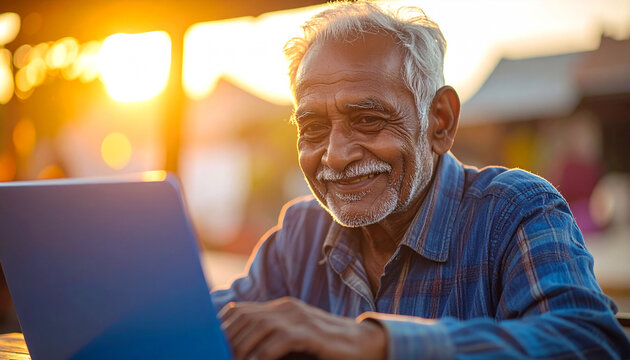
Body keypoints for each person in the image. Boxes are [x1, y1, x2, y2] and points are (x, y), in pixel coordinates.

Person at [211, 2, 630, 359]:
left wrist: (375, 342)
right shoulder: (299, 236)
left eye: (368, 120)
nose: (336, 155)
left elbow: (589, 342)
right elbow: (204, 325)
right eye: (314, 127)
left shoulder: (514, 211)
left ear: (440, 122)